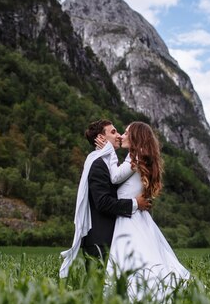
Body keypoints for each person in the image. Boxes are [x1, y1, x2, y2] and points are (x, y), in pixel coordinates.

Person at [101, 122, 190, 302]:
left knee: (132, 258)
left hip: (130, 218)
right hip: (136, 215)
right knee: (141, 257)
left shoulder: (135, 157)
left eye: (126, 133)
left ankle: (134, 296)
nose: (122, 136)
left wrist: (109, 151)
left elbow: (115, 176)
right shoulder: (140, 156)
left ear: (136, 137)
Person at [59, 119, 151, 278]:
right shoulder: (98, 164)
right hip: (100, 240)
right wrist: (136, 203)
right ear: (102, 138)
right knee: (100, 293)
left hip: (112, 237)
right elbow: (102, 202)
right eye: (113, 132)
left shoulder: (109, 163)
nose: (119, 136)